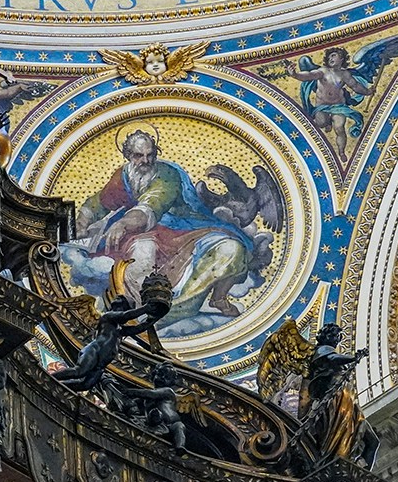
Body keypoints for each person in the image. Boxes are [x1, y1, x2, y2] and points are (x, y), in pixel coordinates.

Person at [66, 130, 260, 332]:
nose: (146, 160)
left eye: (150, 155)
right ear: (128, 156)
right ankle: (142, 310)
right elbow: (99, 202)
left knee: (233, 247)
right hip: (144, 234)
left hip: (184, 227)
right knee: (141, 256)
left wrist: (123, 224)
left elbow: (152, 204)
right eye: (138, 156)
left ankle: (185, 307)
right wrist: (83, 221)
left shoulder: (167, 174)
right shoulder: (123, 176)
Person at [300, 323, 379, 467]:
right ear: (324, 337)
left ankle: (361, 472)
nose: (336, 339)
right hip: (335, 401)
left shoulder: (329, 351)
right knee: (339, 445)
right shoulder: (321, 350)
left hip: (348, 401)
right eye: (333, 336)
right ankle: (339, 467)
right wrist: (353, 358)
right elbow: (332, 359)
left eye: (337, 336)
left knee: (372, 441)